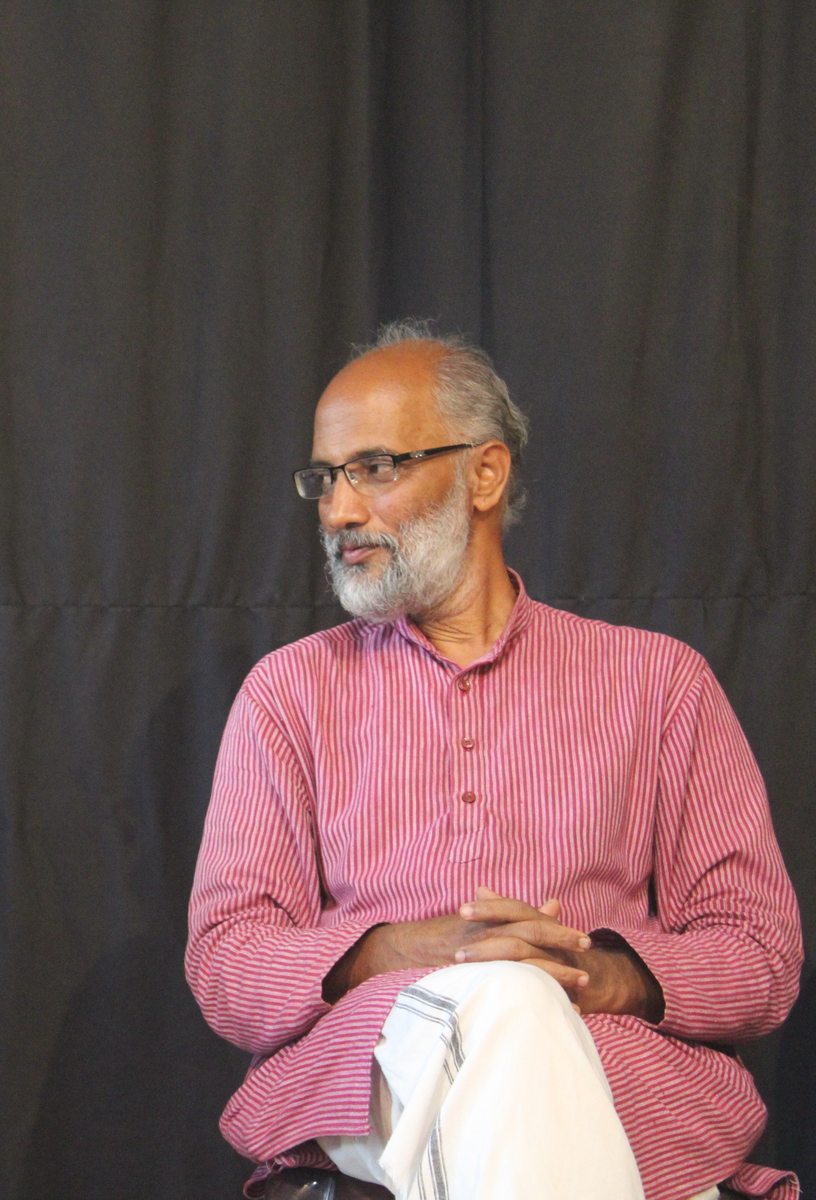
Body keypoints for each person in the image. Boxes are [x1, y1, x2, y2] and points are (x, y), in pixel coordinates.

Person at [185, 322, 802, 1200]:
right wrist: (394, 951)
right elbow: (226, 964)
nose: (338, 511)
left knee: (522, 1008)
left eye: (375, 468)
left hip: (624, 1079)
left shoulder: (659, 683)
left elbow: (761, 955)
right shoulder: (289, 695)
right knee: (506, 1003)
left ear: (484, 474)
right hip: (381, 1069)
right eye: (326, 478)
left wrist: (597, 975)